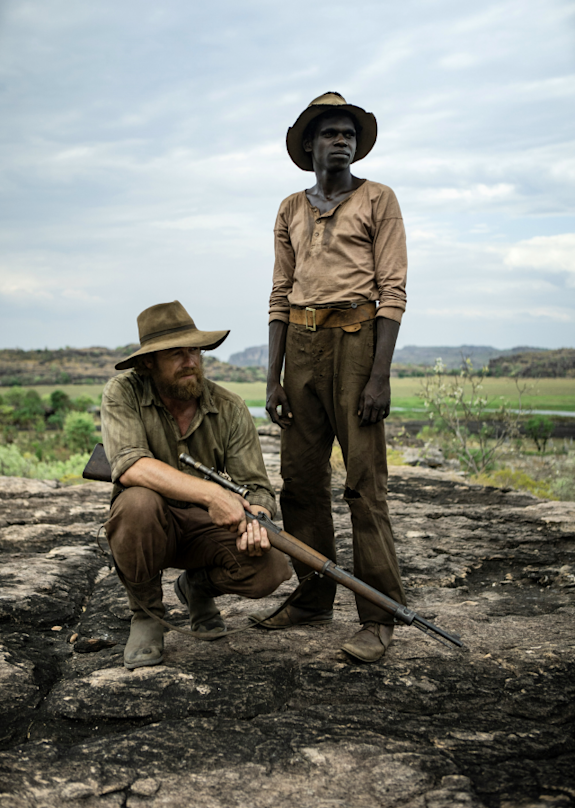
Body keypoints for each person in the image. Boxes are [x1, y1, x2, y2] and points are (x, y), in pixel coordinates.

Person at [257, 91, 408, 663]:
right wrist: (272, 378)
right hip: (300, 343)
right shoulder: (291, 208)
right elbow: (278, 293)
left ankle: (379, 617)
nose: (340, 140)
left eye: (348, 133)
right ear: (310, 145)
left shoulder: (378, 200)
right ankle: (314, 596)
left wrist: (379, 376)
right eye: (330, 134)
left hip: (357, 341)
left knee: (364, 487)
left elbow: (392, 290)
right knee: (299, 480)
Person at [101, 300, 291, 669]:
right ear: (147, 363)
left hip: (206, 528)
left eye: (195, 350)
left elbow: (256, 486)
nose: (191, 361)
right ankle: (146, 615)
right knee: (137, 503)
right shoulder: (122, 393)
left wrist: (259, 516)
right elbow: (130, 465)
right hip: (151, 525)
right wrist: (211, 493)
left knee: (272, 568)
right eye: (176, 353)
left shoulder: (230, 407)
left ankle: (197, 587)